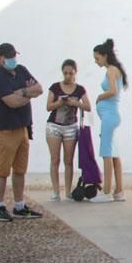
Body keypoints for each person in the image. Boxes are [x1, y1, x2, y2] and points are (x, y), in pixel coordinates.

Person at [0, 43, 44, 220]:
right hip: (5, 129)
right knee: (2, 170)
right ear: (1, 58)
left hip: (22, 127)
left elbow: (39, 89)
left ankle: (19, 205)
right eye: (10, 56)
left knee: (20, 169)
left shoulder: (21, 70)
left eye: (14, 55)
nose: (14, 59)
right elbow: (11, 102)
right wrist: (29, 94)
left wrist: (22, 92)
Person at [45, 59, 91, 202]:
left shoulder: (79, 89)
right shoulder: (55, 87)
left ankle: (68, 191)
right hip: (54, 125)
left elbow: (88, 106)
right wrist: (59, 102)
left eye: (70, 73)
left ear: (75, 73)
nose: (68, 76)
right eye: (65, 73)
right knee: (55, 159)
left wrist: (75, 102)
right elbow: (48, 106)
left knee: (68, 160)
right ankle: (55, 191)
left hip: (71, 127)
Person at [91, 38, 128, 202]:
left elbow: (112, 90)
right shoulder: (114, 69)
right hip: (110, 116)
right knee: (113, 153)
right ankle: (119, 190)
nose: (96, 61)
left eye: (97, 58)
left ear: (105, 56)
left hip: (110, 116)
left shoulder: (111, 70)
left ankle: (106, 191)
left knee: (106, 152)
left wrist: (100, 96)